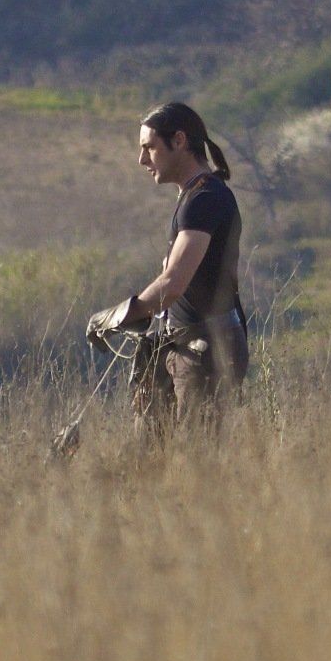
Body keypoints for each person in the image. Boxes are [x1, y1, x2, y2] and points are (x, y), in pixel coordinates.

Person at [85, 101, 249, 432]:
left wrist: (120, 315)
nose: (142, 160)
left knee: (197, 462)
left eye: (149, 148)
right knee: (156, 454)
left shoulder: (204, 199)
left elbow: (173, 284)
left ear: (178, 141)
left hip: (206, 350)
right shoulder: (196, 197)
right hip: (187, 344)